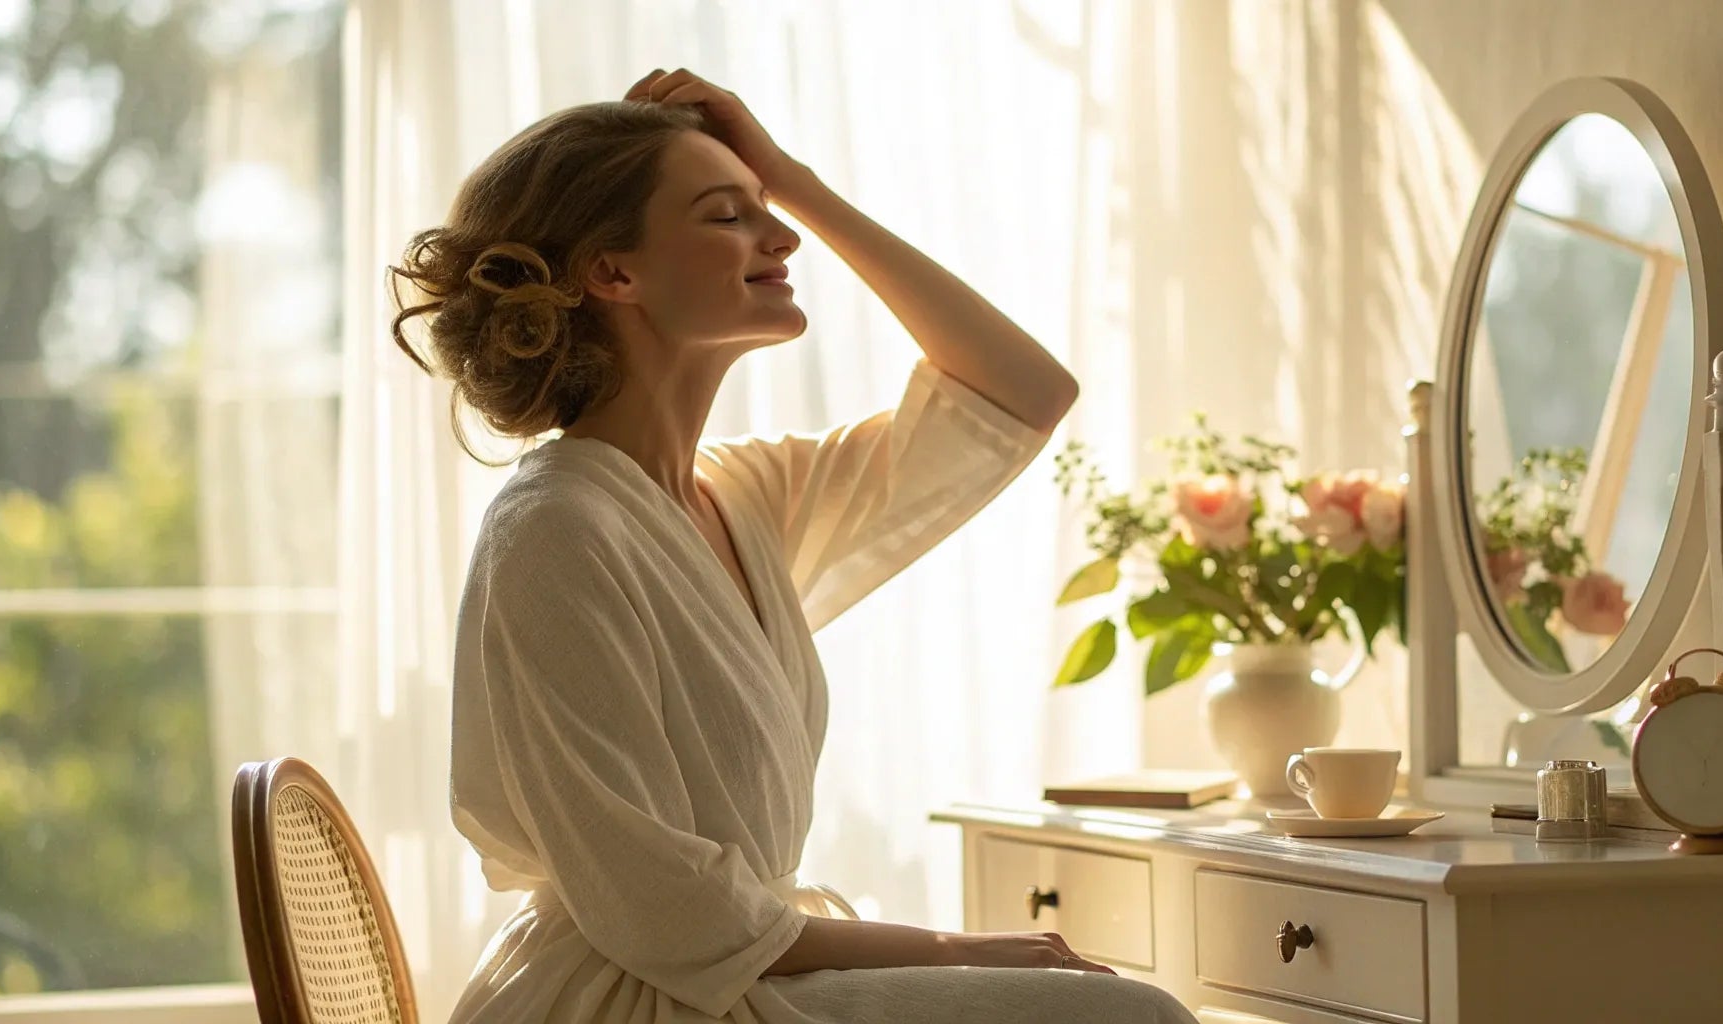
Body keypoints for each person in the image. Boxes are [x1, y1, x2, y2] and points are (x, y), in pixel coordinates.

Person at [390, 69, 1198, 1024]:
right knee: (1131, 1018)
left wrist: (791, 175)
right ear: (614, 273)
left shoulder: (739, 496)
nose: (783, 236)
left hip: (738, 968)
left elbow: (1022, 393)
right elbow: (658, 905)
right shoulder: (556, 530)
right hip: (632, 997)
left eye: (767, 209)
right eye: (728, 215)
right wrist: (951, 947)